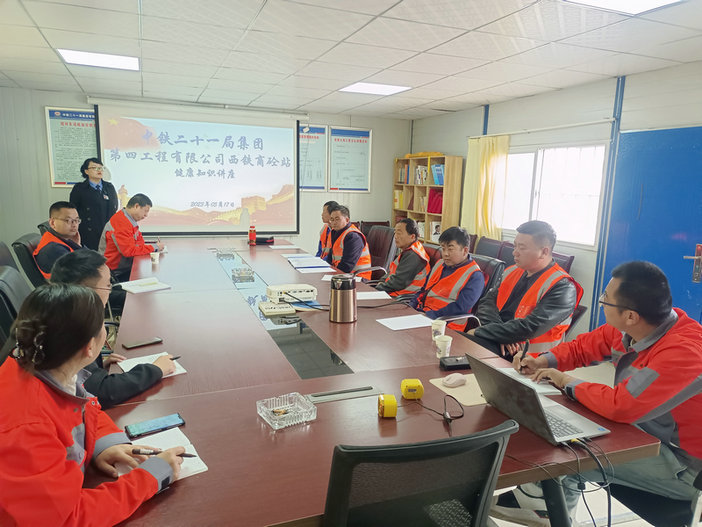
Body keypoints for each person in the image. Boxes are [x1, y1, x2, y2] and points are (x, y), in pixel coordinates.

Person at [492, 260, 702, 526]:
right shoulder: (635, 327)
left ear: (630, 315)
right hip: (644, 434)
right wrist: (542, 361)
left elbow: (621, 405)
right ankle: (539, 503)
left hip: (686, 467)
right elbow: (582, 348)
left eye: (605, 298)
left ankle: (543, 510)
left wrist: (565, 380)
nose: (601, 302)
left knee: (570, 457)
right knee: (564, 430)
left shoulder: (684, 352)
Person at [0, 283, 184, 525]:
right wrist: (149, 478)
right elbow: (66, 520)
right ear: (90, 348)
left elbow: (82, 406)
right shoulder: (27, 428)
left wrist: (104, 444)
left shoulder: (41, 366)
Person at [50, 250, 174, 407]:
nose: (110, 291)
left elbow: (81, 378)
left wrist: (95, 366)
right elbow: (103, 392)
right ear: (86, 290)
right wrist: (155, 370)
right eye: (108, 285)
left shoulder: (59, 310)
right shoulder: (70, 326)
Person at [466, 220, 582, 356]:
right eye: (515, 246)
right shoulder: (512, 271)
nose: (515, 253)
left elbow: (531, 327)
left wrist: (483, 332)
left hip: (531, 358)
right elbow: (487, 303)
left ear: (544, 252)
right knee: (453, 345)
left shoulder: (563, 287)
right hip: (502, 344)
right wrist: (498, 335)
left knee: (461, 347)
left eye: (522, 248)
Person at [411, 226, 484, 330]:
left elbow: (460, 308)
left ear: (465, 251)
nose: (445, 254)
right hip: (423, 316)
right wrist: (411, 307)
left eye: (450, 249)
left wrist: (429, 316)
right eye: (443, 248)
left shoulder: (475, 276)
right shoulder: (439, 264)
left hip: (446, 326)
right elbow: (423, 290)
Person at [100, 193, 164, 281]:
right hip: (114, 273)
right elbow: (129, 251)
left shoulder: (130, 220)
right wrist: (155, 247)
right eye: (145, 211)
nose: (146, 215)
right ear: (136, 206)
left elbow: (140, 243)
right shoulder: (121, 222)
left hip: (125, 268)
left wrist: (150, 247)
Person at [69, 158, 119, 250]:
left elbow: (114, 207)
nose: (99, 170)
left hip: (107, 231)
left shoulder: (109, 187)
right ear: (86, 171)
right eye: (95, 168)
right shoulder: (79, 188)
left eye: (101, 168)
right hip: (88, 233)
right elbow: (73, 210)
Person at [376, 218, 430, 297]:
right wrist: (382, 280)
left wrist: (377, 289)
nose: (395, 236)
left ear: (412, 236)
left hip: (402, 298)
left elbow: (398, 283)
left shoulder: (413, 255)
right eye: (395, 233)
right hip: (394, 294)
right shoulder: (407, 250)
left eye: (399, 233)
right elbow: (392, 272)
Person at [33, 201, 84, 279]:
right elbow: (85, 272)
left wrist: (77, 245)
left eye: (77, 220)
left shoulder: (63, 240)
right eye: (68, 220)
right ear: (52, 223)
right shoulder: (53, 249)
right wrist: (77, 247)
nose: (74, 225)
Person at [325, 204, 372, 279]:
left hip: (358, 277)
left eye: (337, 219)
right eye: (332, 219)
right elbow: (330, 258)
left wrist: (332, 276)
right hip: (344, 275)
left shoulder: (353, 237)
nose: (334, 222)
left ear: (347, 220)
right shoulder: (335, 233)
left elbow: (347, 265)